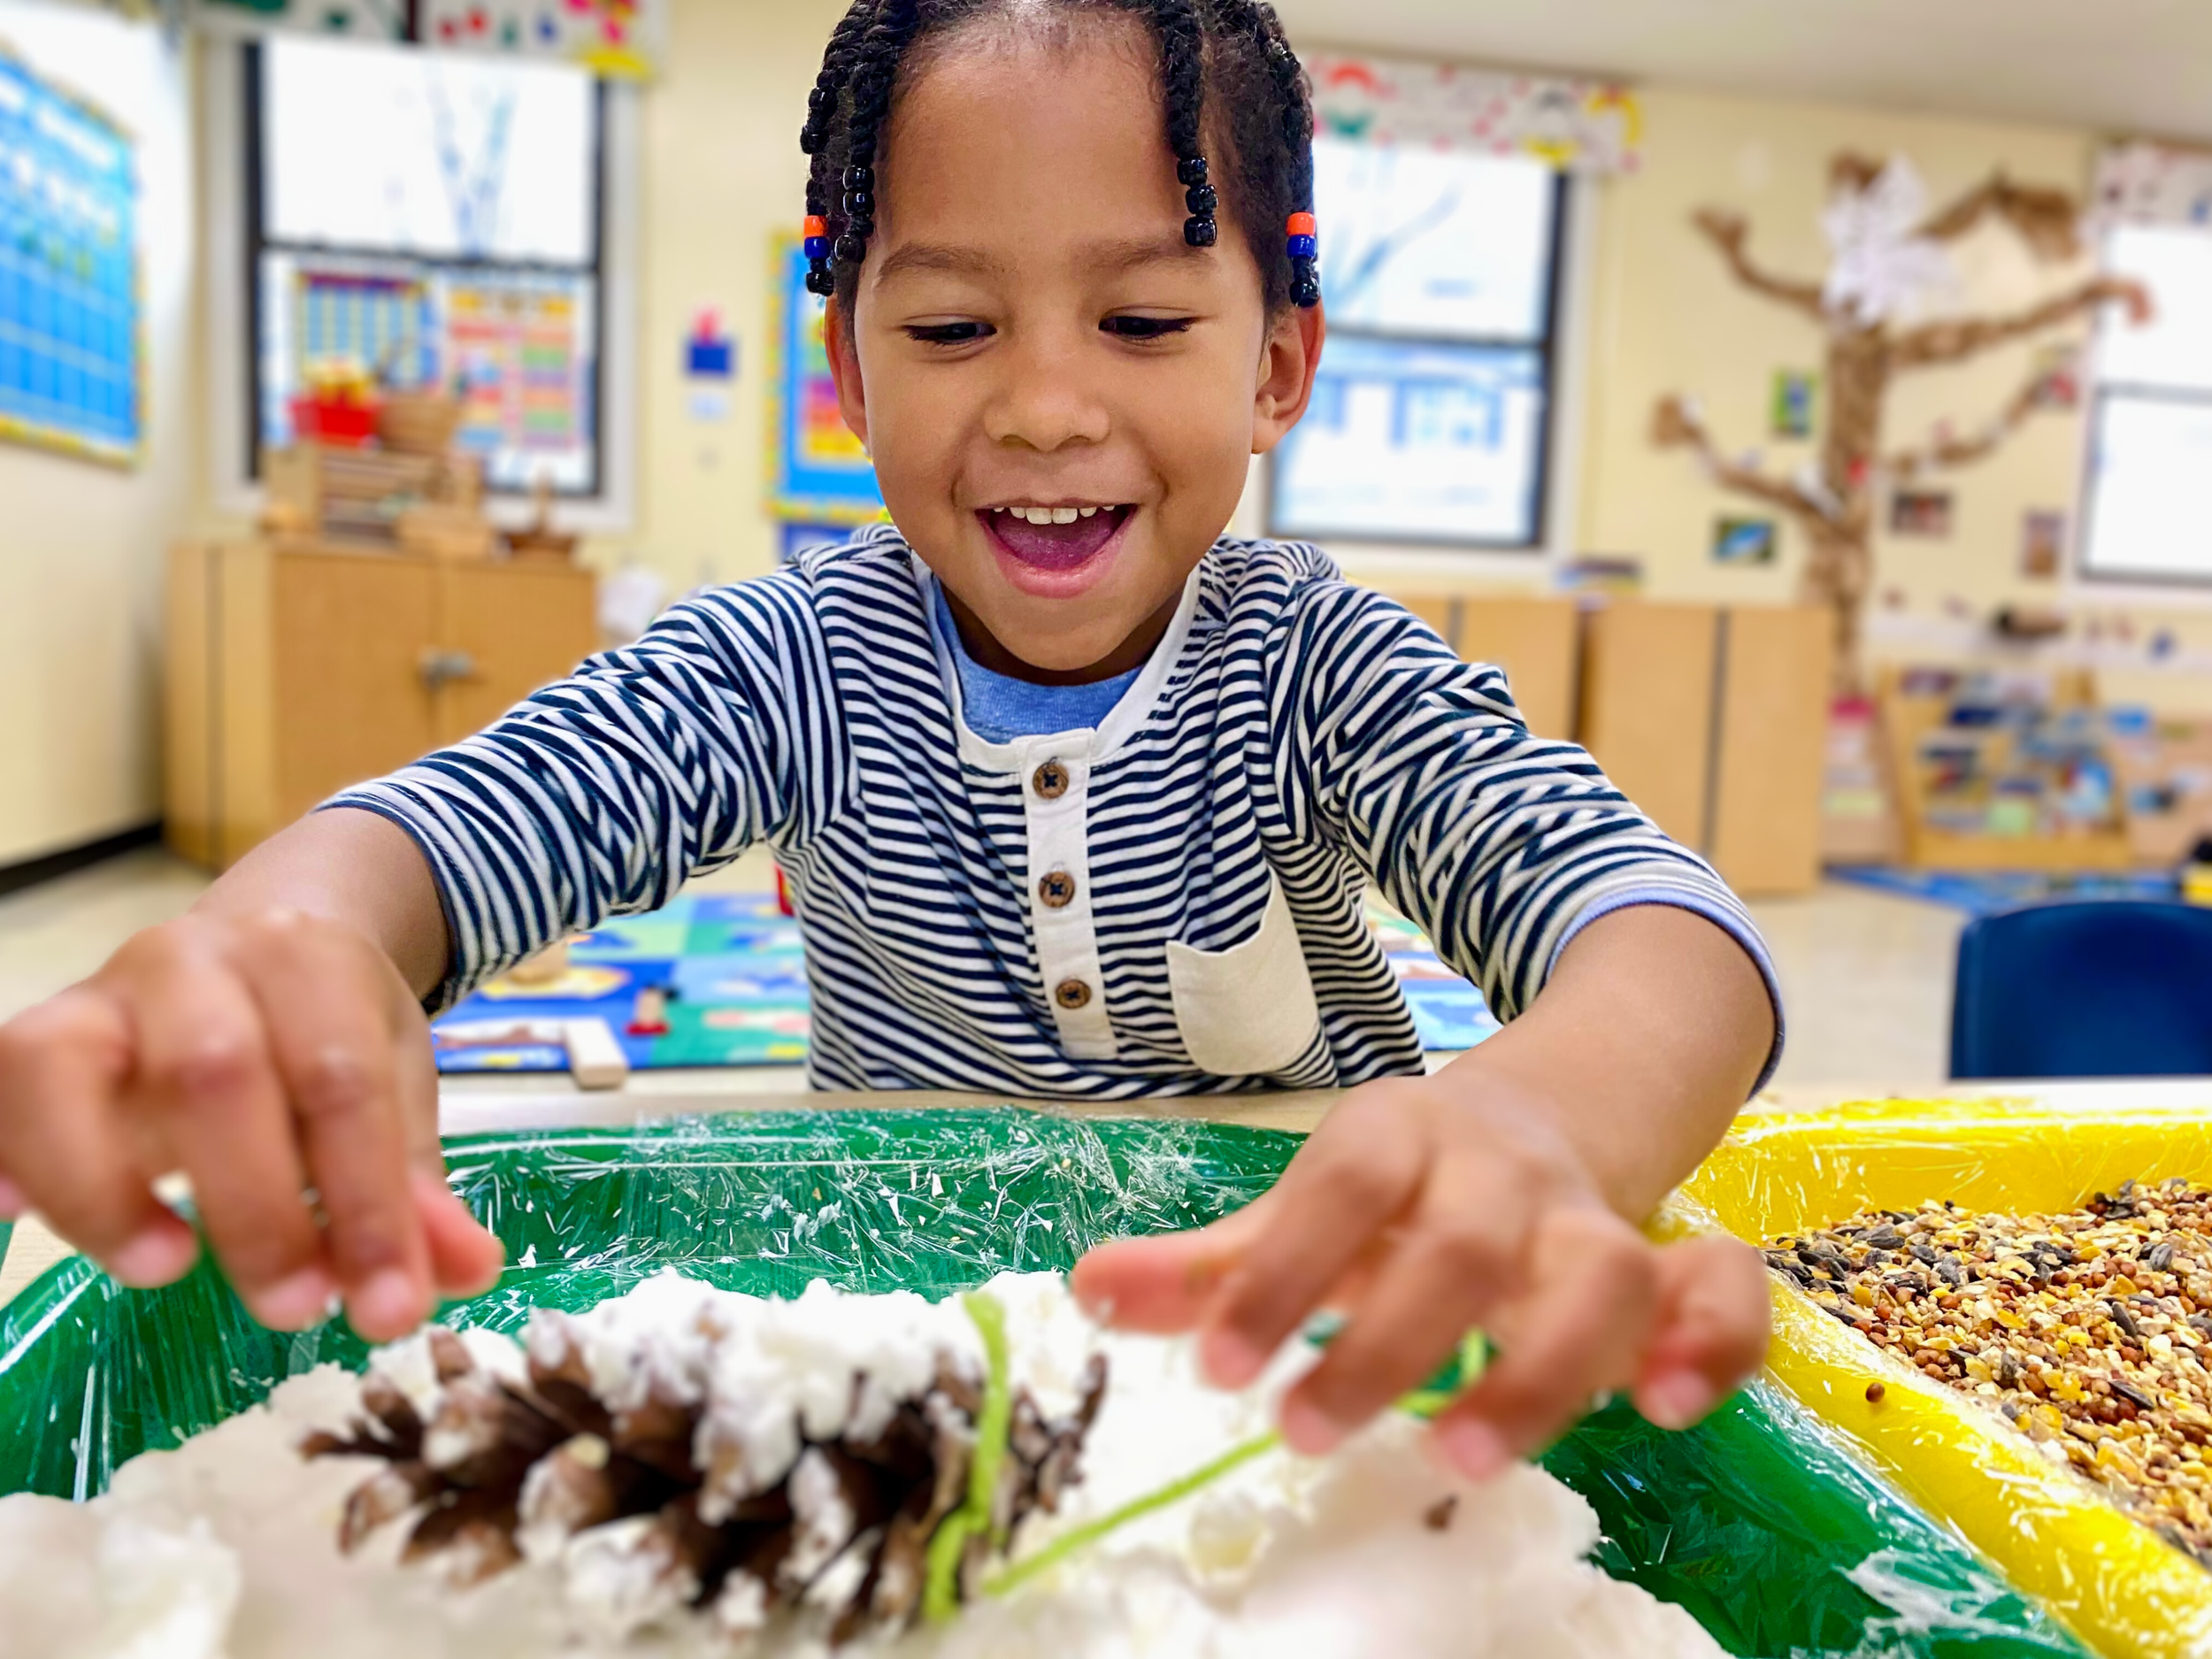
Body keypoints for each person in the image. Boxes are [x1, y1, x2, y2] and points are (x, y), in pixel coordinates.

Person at [0, 0, 1780, 1484]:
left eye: (1145, 319)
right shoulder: (791, 663)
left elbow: (1660, 933)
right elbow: (459, 827)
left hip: (1305, 1353)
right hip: (919, 1354)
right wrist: (277, 943)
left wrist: (1537, 1120)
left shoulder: (1318, 667)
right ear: (849, 371)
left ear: (1276, 363)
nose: (1043, 404)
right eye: (947, 326)